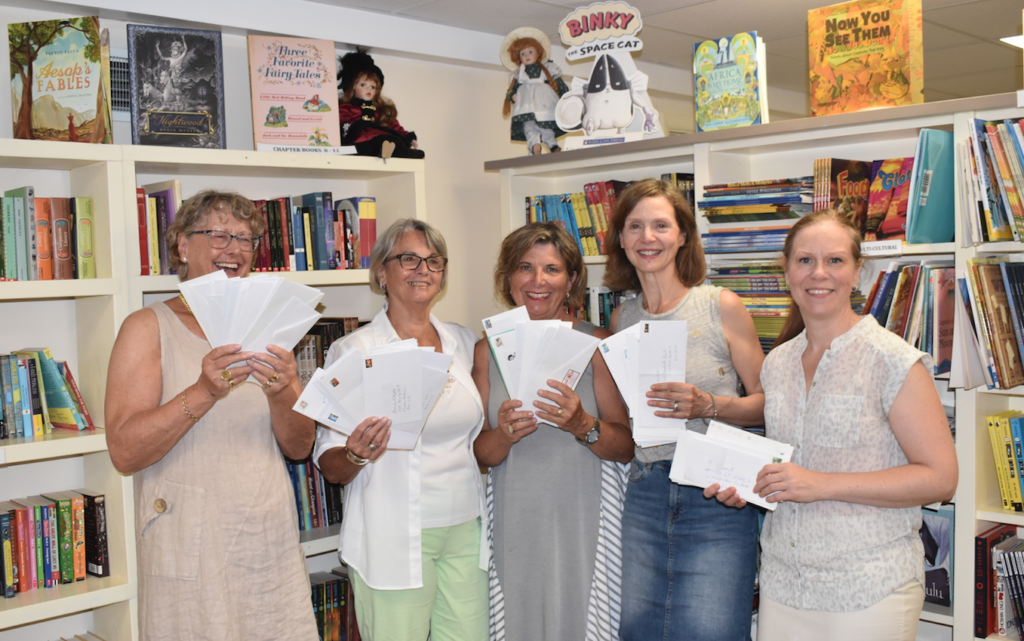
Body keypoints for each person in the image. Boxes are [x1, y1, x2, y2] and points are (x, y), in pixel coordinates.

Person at [706, 209, 958, 641]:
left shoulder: (892, 360)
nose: (818, 273)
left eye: (835, 261)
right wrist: (748, 488)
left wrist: (820, 484)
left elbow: (940, 479)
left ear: (858, 272)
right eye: (804, 260)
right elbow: (791, 467)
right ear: (785, 271)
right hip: (784, 586)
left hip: (868, 588)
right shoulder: (778, 363)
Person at [104, 190, 318, 640]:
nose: (235, 249)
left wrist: (283, 392)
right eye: (219, 235)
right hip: (188, 539)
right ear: (182, 245)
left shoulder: (272, 327)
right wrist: (203, 392)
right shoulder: (147, 326)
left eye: (246, 238)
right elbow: (125, 451)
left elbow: (300, 446)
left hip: (266, 535)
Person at [603, 178, 766, 641]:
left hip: (713, 494)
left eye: (660, 225)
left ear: (682, 236)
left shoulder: (720, 306)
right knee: (639, 629)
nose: (647, 238)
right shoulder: (623, 317)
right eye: (635, 226)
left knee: (710, 629)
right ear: (620, 239)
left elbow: (768, 404)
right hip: (646, 492)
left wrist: (707, 404)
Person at [315, 219, 487, 641]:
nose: (422, 269)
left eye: (433, 261)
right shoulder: (354, 349)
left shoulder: (464, 343)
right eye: (408, 258)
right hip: (392, 533)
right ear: (381, 272)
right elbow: (330, 464)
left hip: (466, 528)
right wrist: (356, 452)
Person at [473, 223, 633, 641]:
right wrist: (505, 434)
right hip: (514, 517)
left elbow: (627, 447)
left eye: (552, 269)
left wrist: (583, 425)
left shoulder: (598, 344)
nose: (538, 281)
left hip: (584, 514)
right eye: (525, 267)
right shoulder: (486, 350)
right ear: (508, 278)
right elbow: (480, 453)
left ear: (572, 279)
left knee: (585, 624)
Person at [337, 49, 424, 159]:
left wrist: (408, 138)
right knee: (375, 142)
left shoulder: (380, 111)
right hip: (361, 138)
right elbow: (336, 122)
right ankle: (386, 149)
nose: (368, 89)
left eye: (372, 87)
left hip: (382, 135)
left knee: (393, 140)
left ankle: (398, 151)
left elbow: (395, 126)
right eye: (363, 85)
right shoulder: (347, 108)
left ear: (377, 90)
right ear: (353, 87)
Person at [500, 27, 568, 155]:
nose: (526, 56)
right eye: (523, 53)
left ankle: (552, 145)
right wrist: (512, 94)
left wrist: (566, 96)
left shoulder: (548, 68)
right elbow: (511, 89)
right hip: (525, 102)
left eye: (530, 51)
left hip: (543, 100)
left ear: (538, 53)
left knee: (545, 124)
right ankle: (535, 146)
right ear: (518, 57)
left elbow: (559, 84)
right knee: (529, 126)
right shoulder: (518, 74)